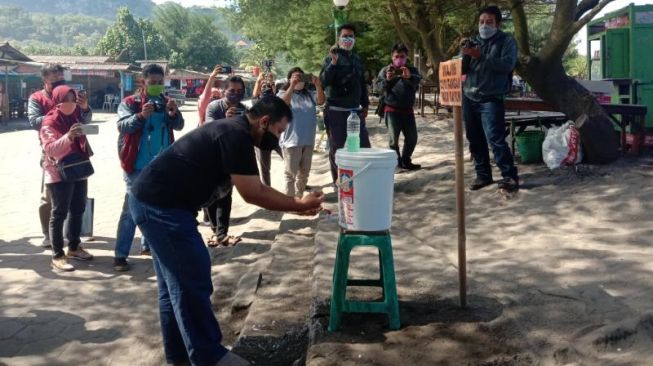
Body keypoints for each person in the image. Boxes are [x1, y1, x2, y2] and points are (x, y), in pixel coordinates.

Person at [128, 96, 324, 366]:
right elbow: (253, 193)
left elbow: (257, 187)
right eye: (279, 131)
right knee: (192, 278)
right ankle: (210, 357)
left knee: (174, 289)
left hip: (153, 202)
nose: (278, 138)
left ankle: (181, 358)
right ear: (264, 121)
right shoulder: (236, 135)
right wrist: (299, 205)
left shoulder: (236, 130)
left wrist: (297, 204)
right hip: (161, 209)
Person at [113, 64, 184, 272]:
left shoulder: (166, 102)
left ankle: (148, 246)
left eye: (160, 82)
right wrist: (141, 117)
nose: (156, 86)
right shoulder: (130, 103)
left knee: (156, 207)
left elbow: (178, 126)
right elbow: (122, 126)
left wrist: (173, 113)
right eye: (152, 82)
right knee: (131, 210)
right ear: (143, 82)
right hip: (136, 166)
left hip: (162, 165)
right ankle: (120, 255)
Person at [29, 64, 92, 247]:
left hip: (76, 154)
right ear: (45, 80)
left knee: (77, 198)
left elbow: (86, 120)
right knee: (51, 198)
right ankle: (50, 236)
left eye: (61, 79)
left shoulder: (71, 97)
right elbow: (34, 121)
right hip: (52, 152)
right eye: (54, 80)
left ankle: (73, 239)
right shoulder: (37, 98)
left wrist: (83, 107)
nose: (59, 83)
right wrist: (59, 111)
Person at [461, 5, 519, 193]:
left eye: (489, 22)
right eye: (481, 22)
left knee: (495, 138)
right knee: (474, 138)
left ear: (498, 24)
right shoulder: (473, 41)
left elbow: (507, 65)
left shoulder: (506, 41)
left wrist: (482, 56)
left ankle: (509, 176)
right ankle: (483, 175)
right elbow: (461, 69)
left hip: (491, 98)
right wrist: (464, 54)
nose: (484, 25)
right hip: (469, 96)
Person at [40, 86, 94, 272]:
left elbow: (88, 121)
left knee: (78, 208)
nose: (71, 103)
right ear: (57, 102)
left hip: (78, 168)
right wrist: (69, 136)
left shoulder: (76, 115)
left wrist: (85, 108)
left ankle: (73, 246)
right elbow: (51, 149)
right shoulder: (49, 122)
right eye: (67, 100)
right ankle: (57, 255)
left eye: (74, 99)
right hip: (58, 172)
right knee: (59, 212)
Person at [319, 23, 371, 186]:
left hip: (355, 110)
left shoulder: (356, 58)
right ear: (339, 38)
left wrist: (365, 104)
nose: (348, 39)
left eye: (351, 36)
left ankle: (361, 178)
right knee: (337, 147)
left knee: (363, 145)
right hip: (336, 110)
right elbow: (323, 81)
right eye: (345, 36)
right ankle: (339, 181)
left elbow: (361, 83)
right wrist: (333, 64)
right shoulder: (331, 57)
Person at [203, 76, 249, 246]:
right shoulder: (214, 107)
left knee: (226, 196)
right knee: (212, 195)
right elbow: (209, 130)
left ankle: (222, 232)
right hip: (211, 157)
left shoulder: (244, 109)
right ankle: (216, 231)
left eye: (239, 91)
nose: (236, 95)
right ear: (224, 91)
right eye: (232, 91)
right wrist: (226, 121)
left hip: (231, 159)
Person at [278, 67, 325, 196]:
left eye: (301, 77)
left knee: (304, 174)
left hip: (308, 140)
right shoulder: (283, 93)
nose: (299, 80)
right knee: (290, 174)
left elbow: (321, 101)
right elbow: (282, 104)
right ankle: (289, 201)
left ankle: (298, 199)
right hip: (291, 141)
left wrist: (318, 85)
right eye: (295, 77)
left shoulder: (309, 93)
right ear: (289, 79)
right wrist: (292, 86)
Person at [375, 43, 422, 170]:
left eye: (402, 56)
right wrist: (387, 80)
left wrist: (409, 77)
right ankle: (396, 163)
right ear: (392, 57)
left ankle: (406, 160)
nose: (399, 59)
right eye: (397, 56)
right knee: (393, 141)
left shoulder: (411, 70)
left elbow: (418, 80)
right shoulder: (386, 71)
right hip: (391, 110)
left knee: (412, 138)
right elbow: (377, 88)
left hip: (408, 110)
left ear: (407, 57)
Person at [252, 70, 282, 186]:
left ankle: (300, 181)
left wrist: (272, 83)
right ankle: (267, 188)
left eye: (268, 86)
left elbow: (279, 96)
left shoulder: (276, 101)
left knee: (290, 159)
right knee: (265, 168)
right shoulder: (257, 102)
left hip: (277, 138)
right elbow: (254, 95)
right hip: (262, 140)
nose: (266, 88)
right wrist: (259, 81)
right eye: (263, 87)